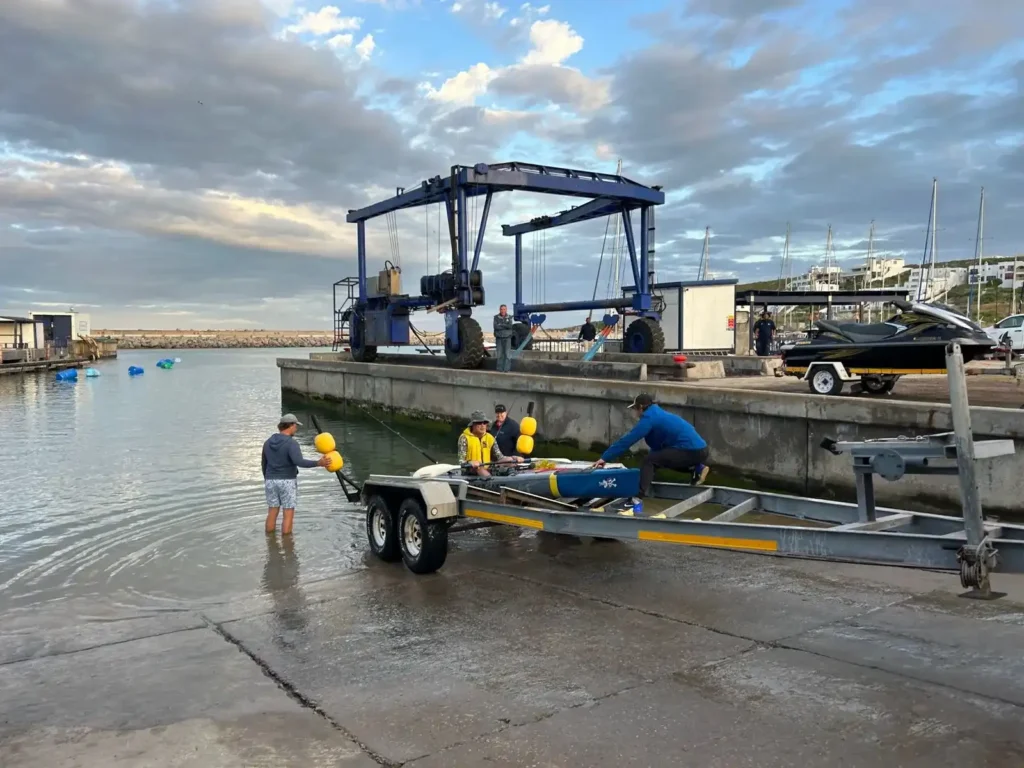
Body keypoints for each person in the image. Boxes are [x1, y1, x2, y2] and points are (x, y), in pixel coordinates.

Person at [593, 393, 710, 501]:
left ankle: (637, 497)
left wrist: (604, 458)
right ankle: (697, 469)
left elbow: (627, 441)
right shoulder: (658, 413)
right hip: (700, 450)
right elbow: (659, 449)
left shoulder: (649, 419)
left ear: (641, 407)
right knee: (658, 458)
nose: (635, 413)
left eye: (635, 409)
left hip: (691, 451)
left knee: (649, 461)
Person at [261, 413, 331, 535]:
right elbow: (299, 461)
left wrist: (268, 478)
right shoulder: (291, 443)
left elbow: (264, 464)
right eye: (296, 426)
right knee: (288, 514)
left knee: (272, 511)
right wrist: (318, 463)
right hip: (287, 480)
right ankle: (287, 546)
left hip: (270, 480)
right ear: (291, 425)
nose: (296, 429)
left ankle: (270, 542)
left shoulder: (267, 442)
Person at [459, 410, 522, 477]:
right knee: (479, 469)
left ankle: (513, 478)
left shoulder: (490, 438)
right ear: (473, 425)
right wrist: (470, 462)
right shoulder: (464, 438)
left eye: (485, 423)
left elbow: (500, 457)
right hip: (471, 470)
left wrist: (513, 458)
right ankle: (490, 483)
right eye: (479, 423)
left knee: (510, 461)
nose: (483, 426)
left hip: (487, 469)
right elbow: (462, 461)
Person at [493, 304, 514, 372]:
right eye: (501, 309)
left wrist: (501, 325)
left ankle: (506, 369)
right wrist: (505, 326)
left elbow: (510, 326)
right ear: (500, 310)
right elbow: (496, 327)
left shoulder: (510, 317)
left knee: (507, 354)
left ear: (506, 310)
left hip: (507, 338)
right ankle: (499, 369)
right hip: (499, 338)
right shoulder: (496, 317)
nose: (503, 311)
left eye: (504, 309)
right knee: (499, 354)